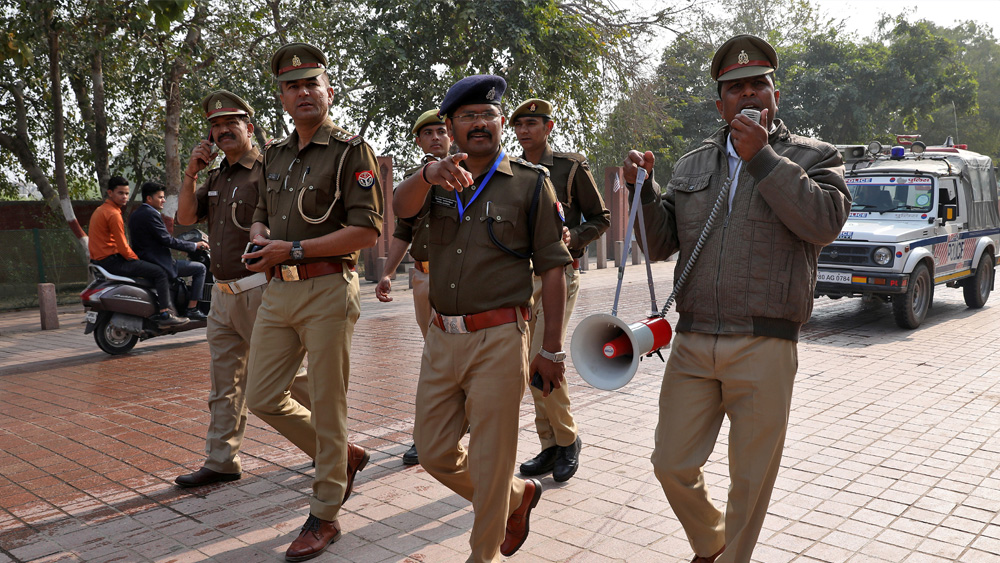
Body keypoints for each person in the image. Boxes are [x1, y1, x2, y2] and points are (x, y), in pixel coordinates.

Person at [623, 35, 850, 563]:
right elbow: (659, 243)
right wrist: (644, 190)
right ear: (719, 102)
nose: (748, 94)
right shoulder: (693, 162)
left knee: (749, 482)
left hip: (765, 343)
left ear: (775, 94)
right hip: (694, 340)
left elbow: (824, 224)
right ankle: (711, 542)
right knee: (670, 463)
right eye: (735, 88)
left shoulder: (815, 156)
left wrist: (764, 159)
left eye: (758, 84)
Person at [394, 75, 573, 563]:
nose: (478, 123)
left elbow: (554, 267)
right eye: (467, 116)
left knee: (491, 461)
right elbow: (397, 210)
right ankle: (515, 497)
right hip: (441, 338)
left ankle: (483, 553)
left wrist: (551, 348)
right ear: (449, 126)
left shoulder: (530, 183)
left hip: (498, 336)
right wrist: (429, 175)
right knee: (431, 451)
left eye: (487, 115)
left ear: (500, 123)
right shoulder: (433, 181)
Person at [241, 43, 382, 562]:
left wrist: (293, 247)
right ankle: (341, 456)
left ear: (328, 91)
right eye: (292, 86)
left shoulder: (350, 152)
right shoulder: (274, 155)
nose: (303, 93)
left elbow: (366, 232)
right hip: (278, 289)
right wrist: (260, 234)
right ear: (281, 97)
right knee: (260, 394)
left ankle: (324, 515)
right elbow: (261, 209)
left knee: (329, 400)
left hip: (327, 287)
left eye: (311, 84)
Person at [174, 90, 311, 489]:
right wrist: (191, 174)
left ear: (249, 128)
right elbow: (185, 217)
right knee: (224, 384)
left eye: (230, 124)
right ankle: (221, 460)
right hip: (222, 295)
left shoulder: (271, 170)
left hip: (262, 290)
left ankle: (332, 448)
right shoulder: (216, 177)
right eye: (215, 126)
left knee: (290, 379)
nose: (221, 132)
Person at [509, 98, 610, 482]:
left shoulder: (569, 168)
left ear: (548, 127)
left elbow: (601, 217)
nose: (524, 131)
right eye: (519, 125)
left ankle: (568, 440)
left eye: (532, 123)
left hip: (559, 275)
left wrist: (573, 238)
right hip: (521, 279)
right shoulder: (512, 170)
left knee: (543, 355)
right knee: (527, 363)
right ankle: (549, 445)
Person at [374, 108, 452, 467]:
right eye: (427, 133)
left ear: (450, 134)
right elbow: (404, 230)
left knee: (441, 357)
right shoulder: (413, 182)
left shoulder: (472, 174)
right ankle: (439, 429)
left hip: (461, 277)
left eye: (441, 131)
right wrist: (388, 272)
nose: (435, 137)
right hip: (423, 278)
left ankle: (430, 434)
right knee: (436, 354)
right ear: (418, 141)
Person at [88, 177, 187, 327]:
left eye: (126, 193)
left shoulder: (100, 210)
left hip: (100, 261)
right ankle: (165, 313)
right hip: (112, 261)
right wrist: (136, 259)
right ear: (110, 193)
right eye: (120, 193)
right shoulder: (114, 214)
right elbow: (123, 246)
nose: (124, 197)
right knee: (160, 272)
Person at [128, 181, 209, 321]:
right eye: (160, 197)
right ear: (149, 198)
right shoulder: (151, 214)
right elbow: (167, 240)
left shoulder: (136, 214)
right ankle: (192, 309)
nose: (163, 200)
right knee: (200, 268)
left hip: (145, 259)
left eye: (164, 197)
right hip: (158, 261)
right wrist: (194, 246)